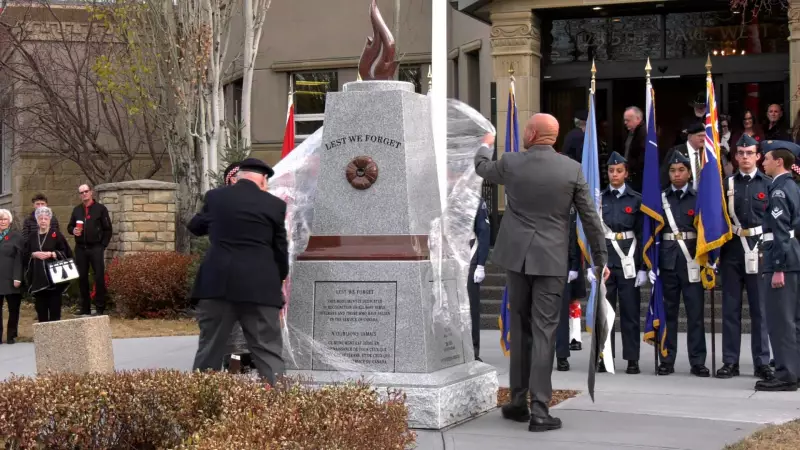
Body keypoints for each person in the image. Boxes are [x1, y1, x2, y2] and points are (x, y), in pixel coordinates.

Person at [474, 113, 607, 432]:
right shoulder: (571, 169)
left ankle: (518, 402)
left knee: (520, 329)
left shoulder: (511, 162)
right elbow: (590, 217)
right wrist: (600, 259)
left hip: (517, 259)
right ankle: (540, 411)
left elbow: (482, 168)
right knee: (544, 331)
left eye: (526, 129)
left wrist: (485, 145)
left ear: (532, 134)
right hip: (550, 261)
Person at [189, 157, 289, 385]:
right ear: (263, 180)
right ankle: (279, 401)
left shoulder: (215, 198)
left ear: (238, 177)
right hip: (260, 288)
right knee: (268, 351)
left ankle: (201, 401)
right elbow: (280, 251)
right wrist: (279, 279)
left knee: (209, 350)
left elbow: (195, 227)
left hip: (217, 286)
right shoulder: (275, 205)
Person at [717, 135, 773, 380]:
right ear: (736, 156)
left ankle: (762, 362)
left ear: (758, 156)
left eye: (750, 152)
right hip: (732, 251)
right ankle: (730, 361)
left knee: (760, 310)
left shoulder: (768, 184)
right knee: (730, 309)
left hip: (759, 251)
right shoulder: (725, 185)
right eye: (741, 153)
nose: (745, 157)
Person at [754, 140, 800, 392]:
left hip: (780, 259)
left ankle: (786, 374)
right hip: (793, 256)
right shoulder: (792, 186)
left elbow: (781, 229)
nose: (763, 162)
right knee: (793, 320)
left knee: (781, 321)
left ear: (779, 161)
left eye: (767, 158)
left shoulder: (779, 190)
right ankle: (794, 370)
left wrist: (779, 267)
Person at [657, 152, 708, 377]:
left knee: (695, 314)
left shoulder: (697, 198)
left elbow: (706, 231)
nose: (676, 174)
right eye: (672, 171)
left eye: (681, 170)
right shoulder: (661, 199)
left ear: (689, 173)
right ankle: (667, 359)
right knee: (669, 313)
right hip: (668, 262)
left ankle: (697, 361)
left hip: (692, 261)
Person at [600, 152, 646, 375]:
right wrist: (592, 264)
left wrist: (644, 267)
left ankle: (632, 359)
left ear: (626, 173)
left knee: (630, 314)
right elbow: (593, 233)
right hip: (606, 265)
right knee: (605, 315)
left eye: (619, 171)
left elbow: (642, 234)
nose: (615, 174)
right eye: (611, 171)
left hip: (629, 263)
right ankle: (605, 357)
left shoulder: (636, 199)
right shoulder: (599, 199)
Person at [67, 184, 112, 316]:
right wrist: (73, 230)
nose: (84, 194)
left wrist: (102, 245)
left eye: (86, 191)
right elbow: (70, 226)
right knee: (82, 278)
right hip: (81, 248)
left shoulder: (100, 209)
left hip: (96, 247)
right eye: (81, 192)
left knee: (99, 277)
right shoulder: (77, 210)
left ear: (91, 192)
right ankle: (85, 308)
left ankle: (100, 307)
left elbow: (108, 229)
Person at [24, 206, 73, 323]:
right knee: (41, 310)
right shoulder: (32, 237)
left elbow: (67, 253)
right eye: (40, 218)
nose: (43, 221)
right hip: (38, 277)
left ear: (50, 220)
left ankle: (55, 334)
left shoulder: (56, 235)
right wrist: (34, 254)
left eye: (46, 218)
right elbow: (25, 254)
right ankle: (43, 333)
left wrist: (52, 254)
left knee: (55, 310)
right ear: (37, 220)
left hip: (54, 279)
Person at [555, 205, 584, 372]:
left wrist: (573, 265)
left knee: (561, 314)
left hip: (561, 263)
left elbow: (572, 236)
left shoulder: (565, 206)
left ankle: (561, 355)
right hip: (539, 262)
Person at [468, 197, 490, 362]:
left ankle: (473, 350)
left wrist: (481, 264)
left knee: (470, 307)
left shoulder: (475, 200)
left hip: (469, 257)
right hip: (448, 258)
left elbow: (483, 232)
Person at [0, 209, 23, 344]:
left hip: (11, 278)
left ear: (9, 221)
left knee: (13, 309)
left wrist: (17, 277)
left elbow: (19, 259)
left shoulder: (16, 237)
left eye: (5, 219)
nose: (2, 222)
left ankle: (11, 335)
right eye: (0, 219)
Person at [661, 122, 705, 190]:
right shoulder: (676, 151)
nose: (703, 139)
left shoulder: (706, 153)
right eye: (700, 136)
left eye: (704, 136)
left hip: (703, 194)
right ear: (690, 137)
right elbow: (664, 176)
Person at [622, 107, 646, 192]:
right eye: (625, 120)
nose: (625, 123)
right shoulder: (631, 132)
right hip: (629, 175)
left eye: (628, 120)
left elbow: (642, 157)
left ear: (638, 119)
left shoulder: (644, 133)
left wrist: (631, 169)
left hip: (638, 178)